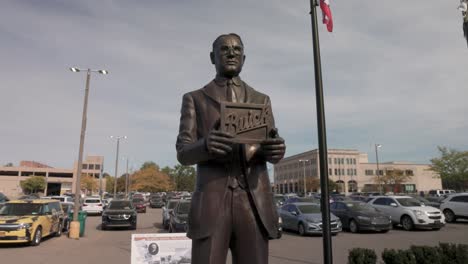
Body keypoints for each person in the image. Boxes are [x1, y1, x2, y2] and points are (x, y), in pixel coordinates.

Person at [176, 33, 286, 264]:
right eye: (224, 49)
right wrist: (205, 145)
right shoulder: (195, 99)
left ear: (244, 58)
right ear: (212, 57)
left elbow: (270, 142)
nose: (231, 53)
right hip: (212, 204)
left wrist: (275, 151)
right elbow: (183, 152)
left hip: (254, 202)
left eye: (237, 49)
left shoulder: (261, 99)